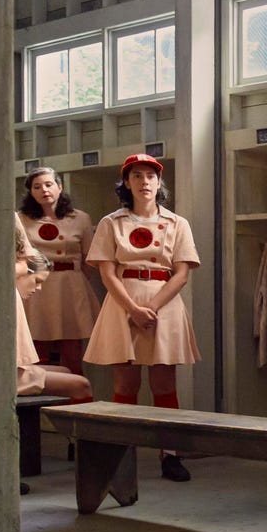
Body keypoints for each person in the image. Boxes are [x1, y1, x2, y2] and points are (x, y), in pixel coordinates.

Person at [84, 154, 200, 482]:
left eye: (151, 175)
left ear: (159, 182)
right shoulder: (111, 223)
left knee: (164, 382)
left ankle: (171, 454)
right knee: (126, 382)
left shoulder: (178, 223)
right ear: (127, 182)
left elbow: (181, 273)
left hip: (165, 301)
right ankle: (124, 452)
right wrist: (133, 309)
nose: (144, 181)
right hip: (123, 301)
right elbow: (106, 272)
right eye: (137, 175)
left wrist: (153, 307)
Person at [14, 217, 94, 495]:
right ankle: (91, 455)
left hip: (18, 370)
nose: (37, 289)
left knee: (68, 371)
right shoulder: (9, 296)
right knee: (79, 384)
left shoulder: (15, 295)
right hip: (11, 375)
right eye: (36, 282)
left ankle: (83, 446)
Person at [17, 167, 102, 376]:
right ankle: (38, 404)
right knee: (36, 350)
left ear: (60, 187)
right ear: (30, 192)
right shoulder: (20, 219)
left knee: (72, 351)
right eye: (37, 187)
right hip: (35, 287)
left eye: (48, 184)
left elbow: (90, 257)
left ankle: (75, 401)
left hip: (70, 286)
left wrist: (74, 277)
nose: (44, 190)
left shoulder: (80, 218)